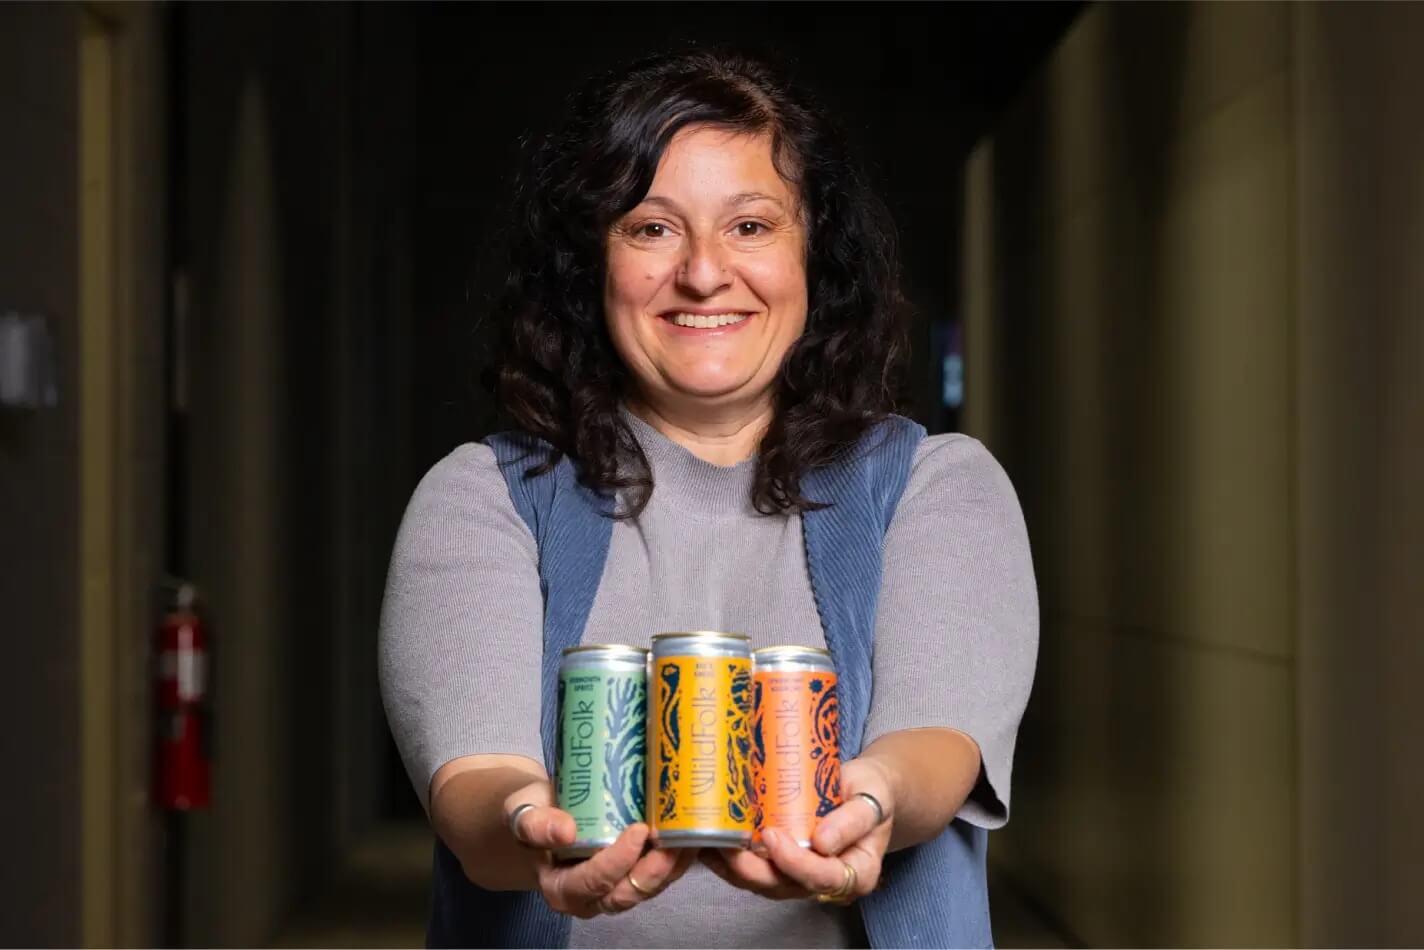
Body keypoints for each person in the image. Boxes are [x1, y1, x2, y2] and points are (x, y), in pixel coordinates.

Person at [378, 49, 1037, 949]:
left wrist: (871, 803)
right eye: (650, 228)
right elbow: (475, 794)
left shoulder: (936, 489)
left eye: (752, 227)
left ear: (815, 254)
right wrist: (534, 827)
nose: (703, 273)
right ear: (589, 264)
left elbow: (936, 749)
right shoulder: (485, 499)